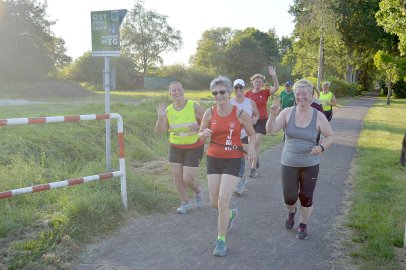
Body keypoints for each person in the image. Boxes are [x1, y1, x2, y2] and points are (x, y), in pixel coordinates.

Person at [265, 79, 334, 240]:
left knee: (306, 196)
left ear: (311, 96)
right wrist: (273, 114)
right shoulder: (287, 112)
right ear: (295, 95)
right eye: (298, 94)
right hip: (289, 162)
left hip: (310, 163)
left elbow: (330, 136)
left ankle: (303, 224)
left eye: (305, 94)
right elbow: (271, 130)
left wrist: (321, 147)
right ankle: (291, 211)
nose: (301, 97)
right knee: (289, 197)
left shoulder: (318, 116)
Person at [198, 76, 256, 256]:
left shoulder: (239, 113)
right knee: (214, 202)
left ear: (229, 92)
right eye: (215, 93)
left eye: (222, 92)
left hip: (233, 159)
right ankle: (229, 215)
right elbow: (200, 135)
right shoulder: (209, 112)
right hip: (214, 159)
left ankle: (221, 240)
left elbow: (252, 134)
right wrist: (203, 133)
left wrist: (252, 148)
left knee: (223, 201)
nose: (218, 95)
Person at [155, 81, 205, 214]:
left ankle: (198, 192)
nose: (177, 92)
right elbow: (160, 131)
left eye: (179, 89)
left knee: (187, 178)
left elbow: (209, 122)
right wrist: (160, 118)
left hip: (194, 145)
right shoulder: (168, 110)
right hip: (176, 146)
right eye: (174, 90)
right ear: (170, 93)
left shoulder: (194, 106)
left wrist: (199, 127)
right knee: (177, 176)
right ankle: (185, 203)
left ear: (183, 90)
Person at [245, 66, 279, 178]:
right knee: (251, 145)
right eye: (256, 81)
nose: (258, 83)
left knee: (256, 143)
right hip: (250, 122)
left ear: (262, 83)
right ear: (252, 82)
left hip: (262, 120)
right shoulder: (247, 94)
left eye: (260, 82)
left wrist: (273, 75)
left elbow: (276, 87)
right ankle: (256, 158)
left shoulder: (265, 93)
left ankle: (253, 168)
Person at [230, 79, 259, 195]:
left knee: (241, 157)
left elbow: (257, 114)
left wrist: (254, 120)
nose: (238, 90)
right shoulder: (230, 102)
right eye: (236, 87)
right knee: (235, 158)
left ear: (244, 88)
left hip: (246, 134)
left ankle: (240, 181)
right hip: (233, 134)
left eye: (240, 87)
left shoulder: (250, 102)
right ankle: (240, 179)